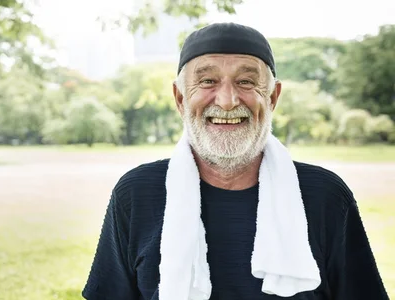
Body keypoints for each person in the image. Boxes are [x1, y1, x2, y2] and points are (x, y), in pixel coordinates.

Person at [81, 23, 389, 300]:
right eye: (207, 81)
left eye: (245, 82)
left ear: (272, 97)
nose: (227, 100)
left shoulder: (325, 196)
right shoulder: (136, 193)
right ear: (179, 98)